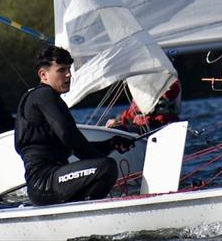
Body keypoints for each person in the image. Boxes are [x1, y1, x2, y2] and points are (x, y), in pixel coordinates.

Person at [15, 45, 134, 206]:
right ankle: (89, 212)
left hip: (50, 181)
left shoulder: (46, 99)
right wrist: (99, 162)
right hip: (44, 182)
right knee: (106, 167)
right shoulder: (44, 95)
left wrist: (110, 143)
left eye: (69, 69)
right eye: (61, 70)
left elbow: (75, 145)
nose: (69, 74)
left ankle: (85, 208)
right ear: (43, 75)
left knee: (102, 165)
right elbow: (68, 136)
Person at [105, 78, 181, 133]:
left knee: (120, 130)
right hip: (143, 127)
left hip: (160, 127)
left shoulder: (171, 82)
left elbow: (172, 91)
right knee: (115, 128)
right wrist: (118, 121)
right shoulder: (142, 90)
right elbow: (131, 113)